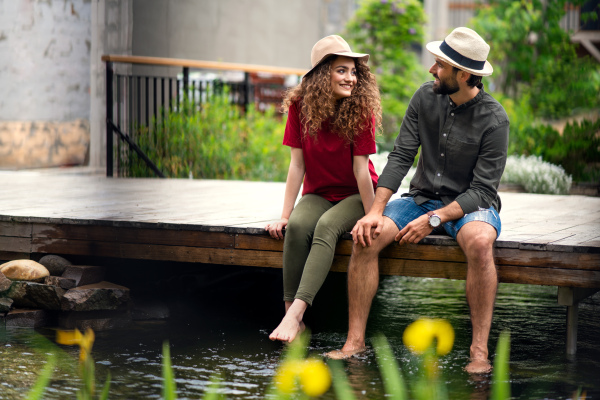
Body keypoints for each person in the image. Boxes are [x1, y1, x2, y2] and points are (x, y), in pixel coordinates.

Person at [326, 27, 509, 374]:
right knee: (366, 234)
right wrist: (375, 211)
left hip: (470, 206)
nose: (431, 71)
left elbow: (484, 190)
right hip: (420, 197)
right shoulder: (425, 98)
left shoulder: (495, 120)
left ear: (464, 74)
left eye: (439, 65)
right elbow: (401, 156)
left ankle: (479, 352)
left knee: (481, 242)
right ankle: (355, 342)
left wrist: (436, 220)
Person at [265, 35, 382, 343]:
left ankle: (293, 316)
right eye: (341, 70)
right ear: (321, 74)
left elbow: (361, 170)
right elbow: (297, 166)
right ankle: (295, 319)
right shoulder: (299, 107)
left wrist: (373, 215)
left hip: (356, 193)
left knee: (327, 227)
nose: (351, 78)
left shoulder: (360, 109)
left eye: (354, 71)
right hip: (318, 191)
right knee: (299, 226)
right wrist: (284, 215)